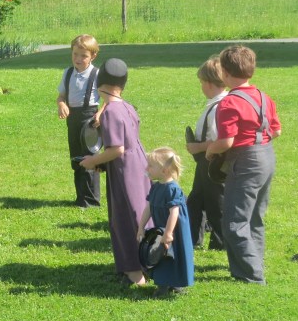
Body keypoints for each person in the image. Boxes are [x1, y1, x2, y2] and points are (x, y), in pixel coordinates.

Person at [207, 45, 281, 284]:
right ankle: (252, 263)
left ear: (225, 74)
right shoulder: (264, 97)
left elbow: (226, 141)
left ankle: (252, 274)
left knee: (234, 221)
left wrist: (210, 150)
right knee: (255, 217)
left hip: (245, 160)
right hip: (267, 155)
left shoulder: (228, 103)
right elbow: (277, 131)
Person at [80, 58, 150, 286]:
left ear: (99, 84)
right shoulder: (126, 106)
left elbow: (116, 150)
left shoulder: (110, 112)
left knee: (125, 217)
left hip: (124, 170)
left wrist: (93, 161)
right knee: (142, 212)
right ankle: (149, 261)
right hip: (139, 165)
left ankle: (134, 272)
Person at [137, 147, 195, 297]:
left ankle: (171, 284)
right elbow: (148, 208)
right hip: (161, 228)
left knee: (174, 255)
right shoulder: (156, 187)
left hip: (174, 229)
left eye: (150, 166)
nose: (146, 168)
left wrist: (169, 233)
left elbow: (174, 212)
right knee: (161, 255)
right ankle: (165, 283)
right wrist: (141, 227)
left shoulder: (172, 189)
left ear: (164, 170)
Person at [184, 57, 227, 249]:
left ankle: (221, 240)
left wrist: (197, 147)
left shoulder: (219, 107)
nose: (201, 87)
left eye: (202, 83)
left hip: (213, 162)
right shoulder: (213, 103)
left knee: (216, 203)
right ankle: (192, 238)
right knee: (195, 200)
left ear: (209, 84)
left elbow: (219, 140)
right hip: (204, 162)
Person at [56, 34, 101, 208]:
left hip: (90, 119)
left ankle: (91, 200)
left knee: (90, 157)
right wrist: (61, 104)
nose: (78, 59)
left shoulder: (97, 74)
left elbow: (108, 99)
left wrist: (100, 114)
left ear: (93, 56)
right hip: (73, 119)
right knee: (76, 157)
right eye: (75, 54)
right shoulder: (68, 73)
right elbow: (61, 96)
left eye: (83, 55)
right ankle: (80, 197)